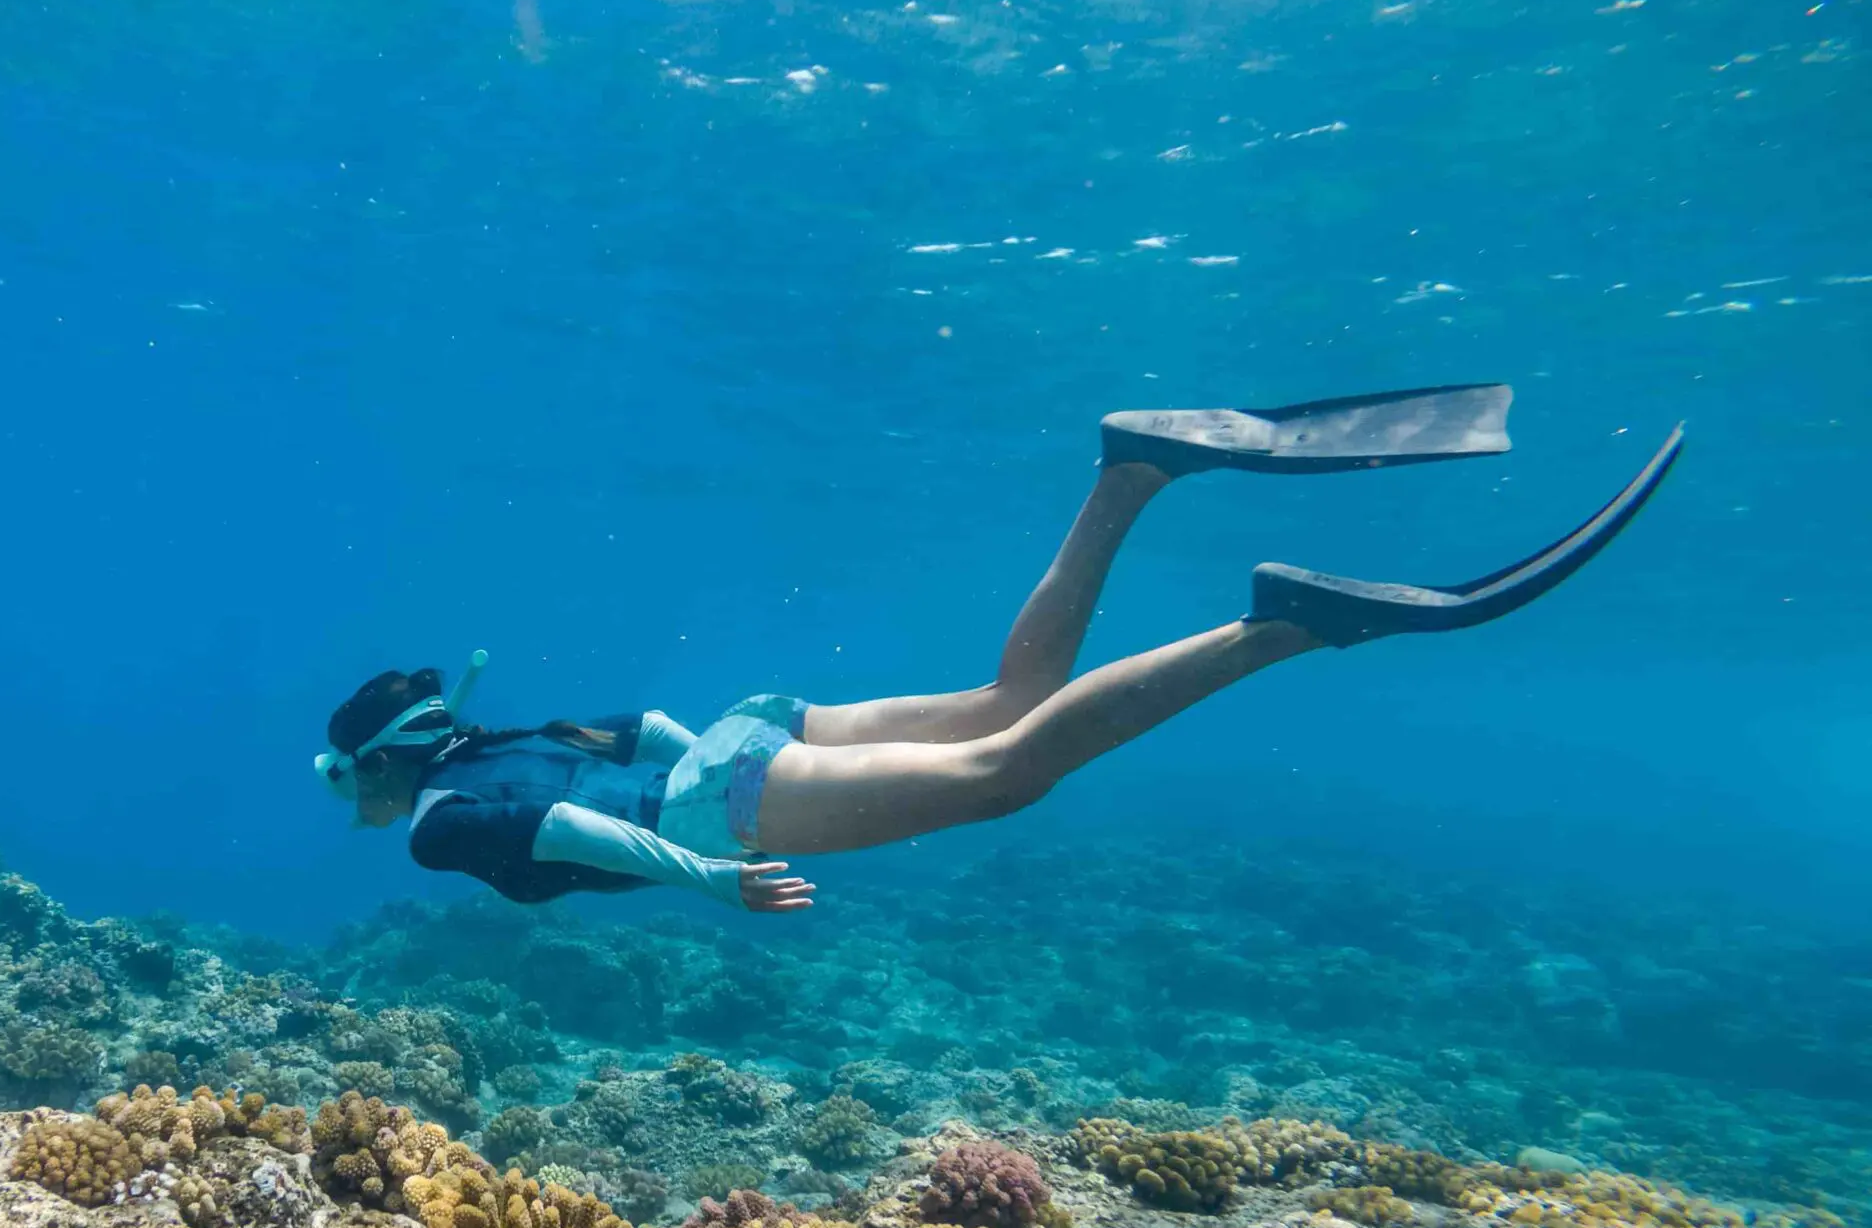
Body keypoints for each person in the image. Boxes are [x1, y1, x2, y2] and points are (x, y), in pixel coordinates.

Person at [316, 385, 1679, 915]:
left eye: (341, 781)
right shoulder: (488, 742)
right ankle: (1134, 473)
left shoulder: (440, 819)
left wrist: (712, 872)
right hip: (745, 732)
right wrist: (732, 767)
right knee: (1006, 694)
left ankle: (1285, 625)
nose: (351, 806)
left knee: (1009, 769)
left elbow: (570, 829)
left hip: (721, 803)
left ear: (379, 768)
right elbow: (649, 730)